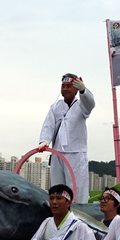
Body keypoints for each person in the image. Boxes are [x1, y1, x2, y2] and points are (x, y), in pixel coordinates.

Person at [38, 73, 95, 204]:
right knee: (57, 188)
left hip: (76, 153)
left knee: (77, 189)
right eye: (63, 86)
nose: (65, 89)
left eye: (69, 86)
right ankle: (57, 215)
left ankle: (77, 216)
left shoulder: (82, 105)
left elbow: (90, 104)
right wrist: (44, 141)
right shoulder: (55, 107)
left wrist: (83, 90)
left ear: (75, 89)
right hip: (57, 153)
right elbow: (48, 125)